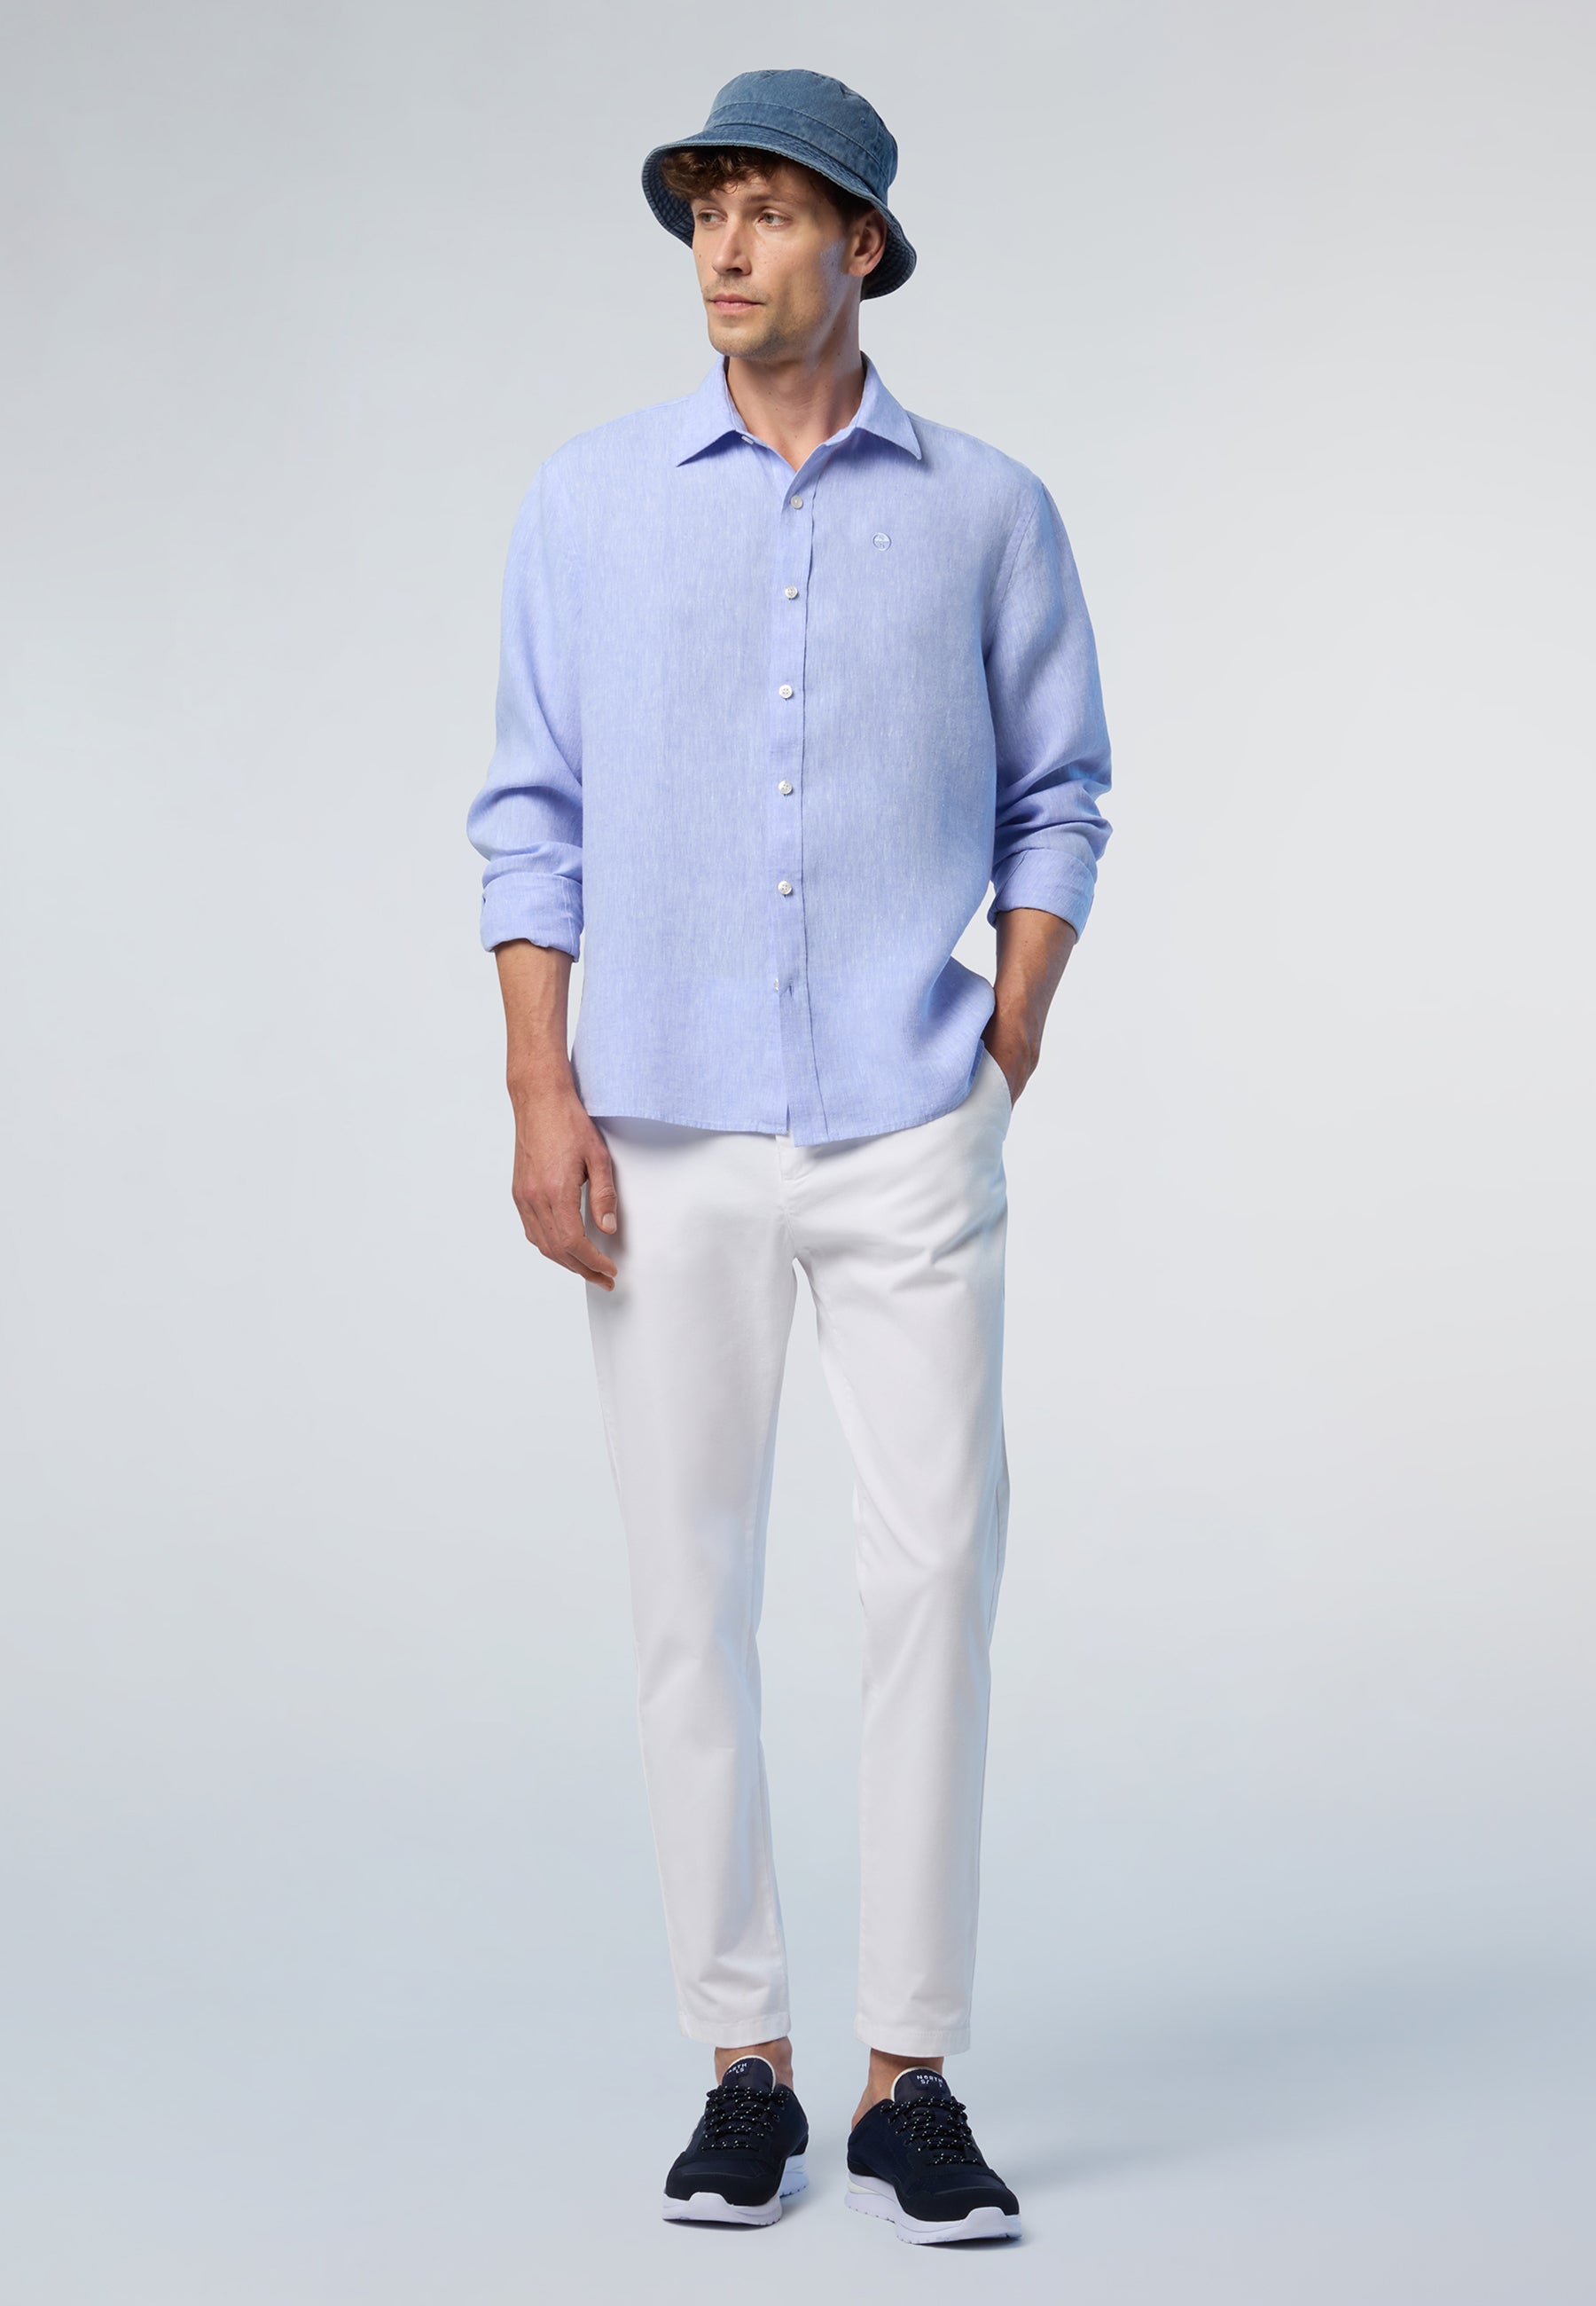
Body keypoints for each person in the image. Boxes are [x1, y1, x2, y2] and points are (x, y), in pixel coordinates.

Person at [466, 68, 1112, 2246]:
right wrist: (541, 1091)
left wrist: (1005, 1035)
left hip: (907, 1121)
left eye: (768, 210)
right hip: (658, 1124)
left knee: (935, 1576)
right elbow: (529, 813)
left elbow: (1061, 793)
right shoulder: (586, 503)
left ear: (864, 245)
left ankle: (910, 2076)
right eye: (705, 212)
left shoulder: (992, 510)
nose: (724, 250)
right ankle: (741, 2062)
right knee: (689, 1595)